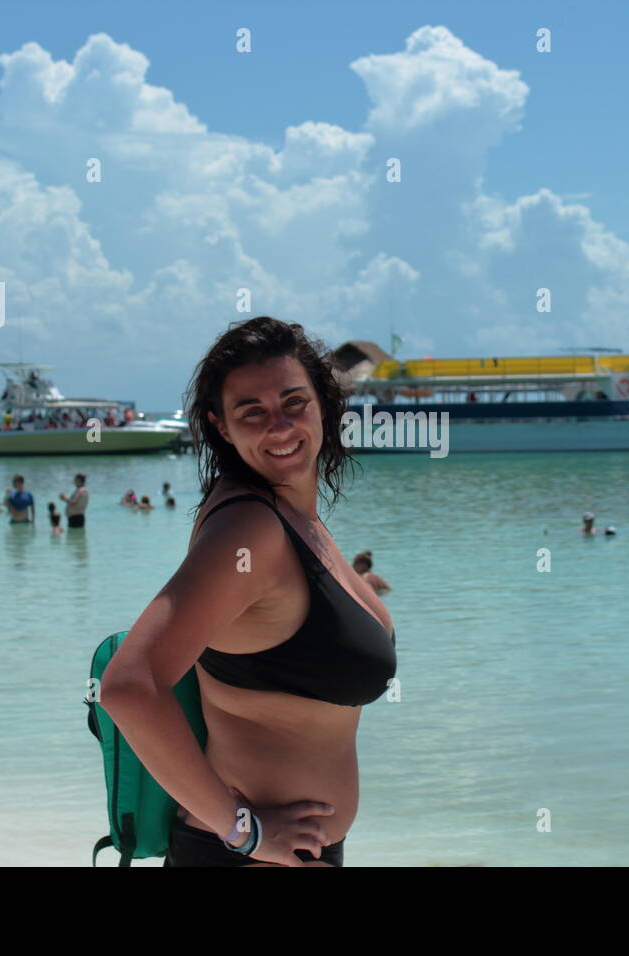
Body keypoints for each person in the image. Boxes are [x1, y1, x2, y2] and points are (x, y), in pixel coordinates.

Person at [100, 315, 396, 868]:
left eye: (294, 402)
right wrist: (246, 833)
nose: (280, 426)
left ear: (325, 406)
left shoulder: (294, 518)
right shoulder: (250, 529)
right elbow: (130, 686)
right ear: (221, 428)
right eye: (252, 412)